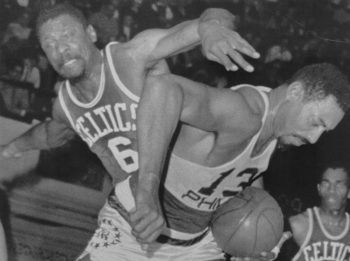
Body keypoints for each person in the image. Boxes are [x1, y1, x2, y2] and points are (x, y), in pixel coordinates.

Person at [1, 3, 261, 261]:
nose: (61, 49)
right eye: (50, 44)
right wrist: (11, 149)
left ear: (91, 34)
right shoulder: (66, 106)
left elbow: (211, 18)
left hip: (191, 215)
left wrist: (213, 30)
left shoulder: (132, 57)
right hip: (133, 223)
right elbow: (48, 134)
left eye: (68, 35)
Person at [288, 161, 350, 261]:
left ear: (349, 192)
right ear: (319, 189)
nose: (331, 189)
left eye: (338, 184)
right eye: (326, 183)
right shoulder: (297, 224)